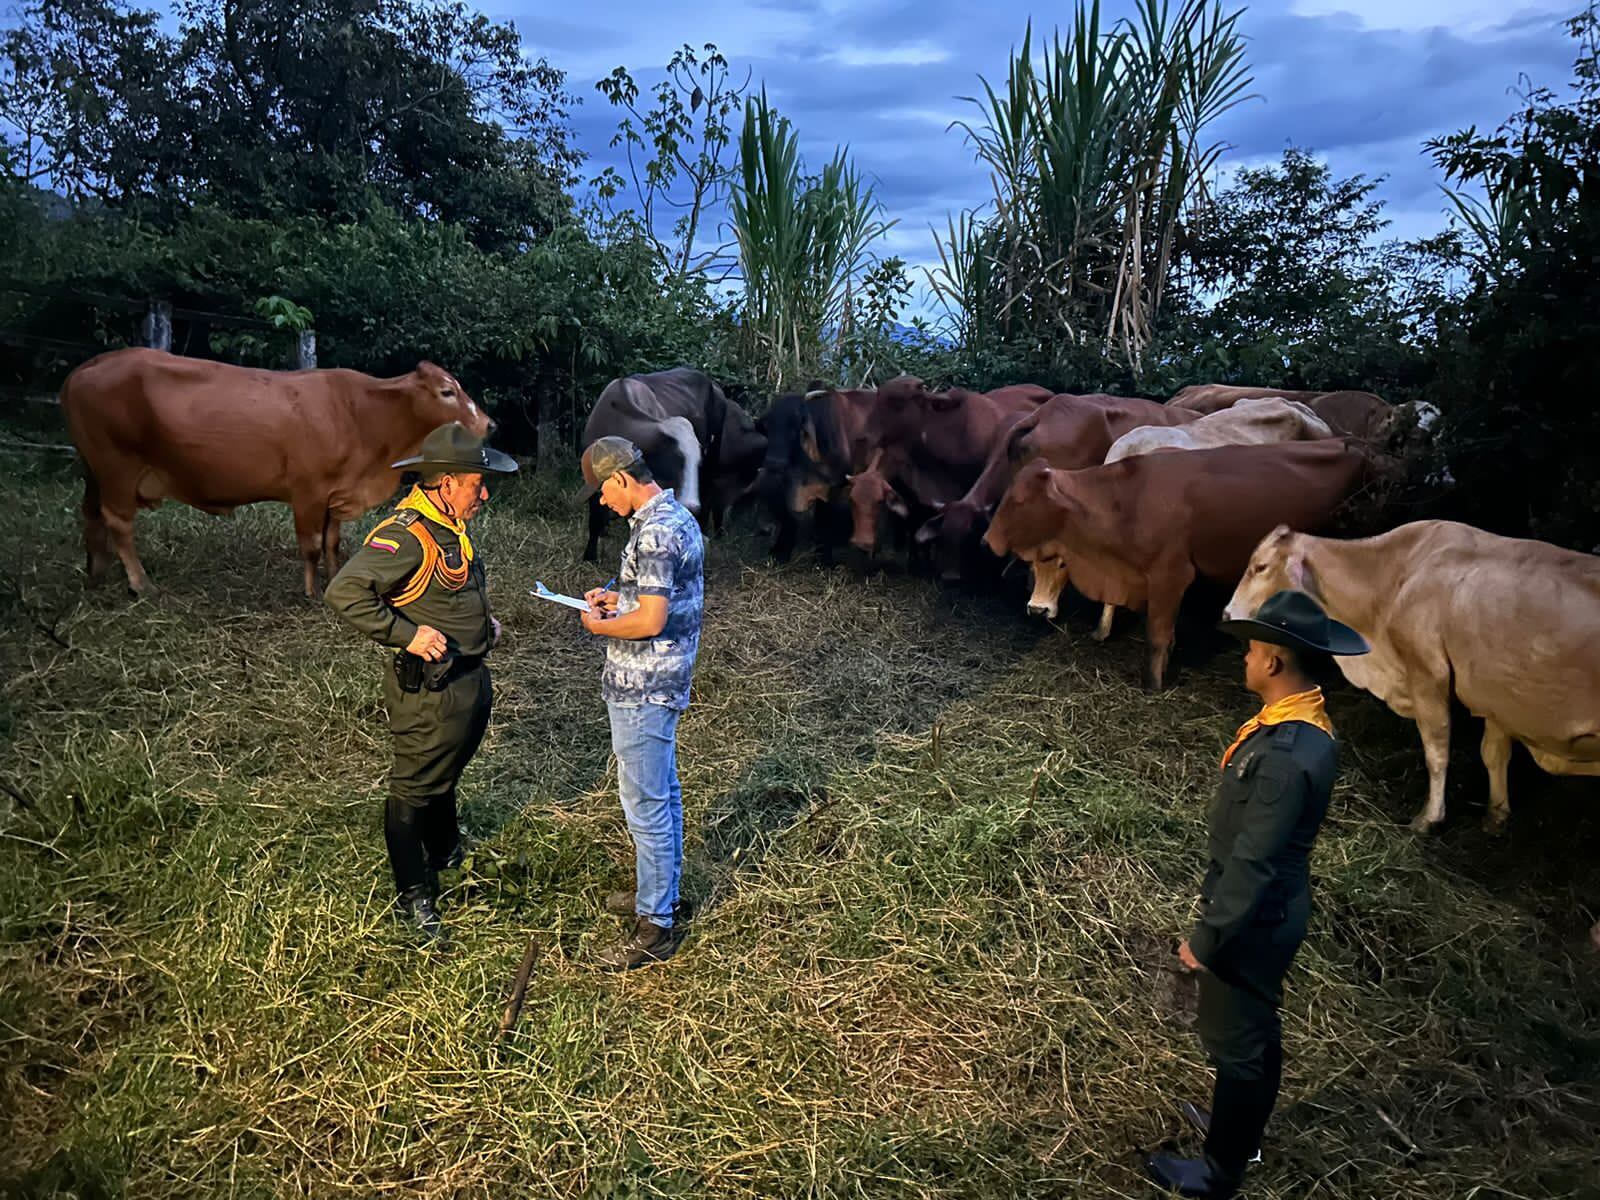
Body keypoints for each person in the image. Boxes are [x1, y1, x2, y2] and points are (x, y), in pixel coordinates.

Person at [1143, 590, 1370, 1198]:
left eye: (1251, 650)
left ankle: (1220, 1171)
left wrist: (1206, 940)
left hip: (1253, 918)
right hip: (1267, 910)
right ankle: (1240, 1131)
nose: (1243, 659)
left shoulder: (1286, 754)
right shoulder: (1297, 731)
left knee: (1238, 1043)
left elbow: (1254, 862)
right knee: (1256, 1030)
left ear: (1273, 663)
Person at [324, 422, 518, 945]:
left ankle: (446, 850)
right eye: (476, 482)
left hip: (467, 677)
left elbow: (451, 591)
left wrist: (483, 627)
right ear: (446, 482)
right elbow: (346, 591)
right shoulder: (405, 535)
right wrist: (405, 635)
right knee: (414, 785)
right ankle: (413, 893)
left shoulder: (447, 525)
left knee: (443, 771)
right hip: (428, 691)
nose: (484, 491)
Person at [577, 435, 704, 970]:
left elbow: (649, 622)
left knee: (646, 805)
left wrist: (597, 623)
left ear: (622, 479)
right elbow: (656, 597)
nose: (602, 502)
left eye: (603, 491)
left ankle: (655, 926)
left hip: (643, 684)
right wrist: (618, 596)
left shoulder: (653, 534)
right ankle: (663, 895)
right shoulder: (674, 517)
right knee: (664, 794)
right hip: (662, 677)